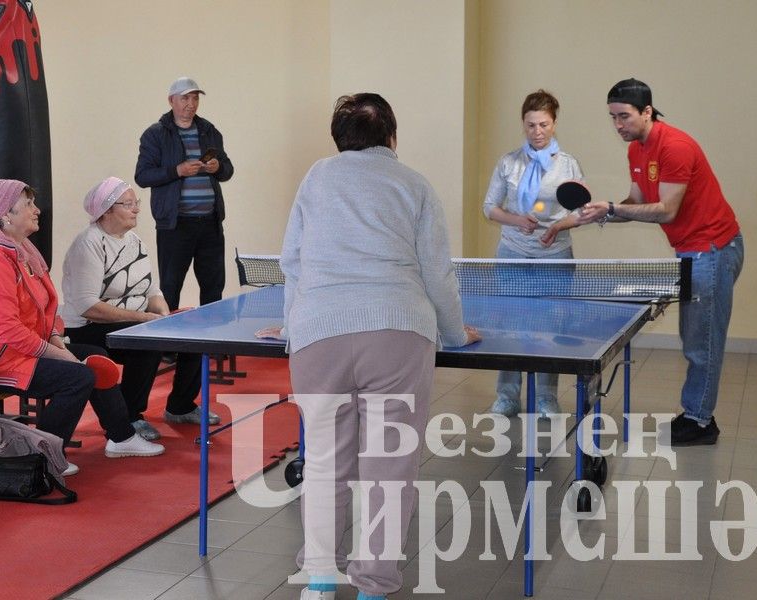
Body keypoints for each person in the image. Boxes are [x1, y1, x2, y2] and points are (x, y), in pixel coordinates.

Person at [280, 93, 481, 600]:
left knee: (325, 459)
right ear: (392, 137)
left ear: (338, 139)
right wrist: (456, 333)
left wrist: (291, 326)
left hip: (318, 334)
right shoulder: (414, 183)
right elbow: (438, 272)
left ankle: (320, 581)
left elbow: (293, 263)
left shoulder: (315, 177)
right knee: (390, 465)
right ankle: (373, 587)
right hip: (396, 329)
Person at [576, 78, 744, 446]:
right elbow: (635, 202)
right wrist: (602, 213)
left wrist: (614, 208)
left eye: (624, 116)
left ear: (647, 111)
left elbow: (667, 211)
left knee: (703, 342)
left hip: (713, 249)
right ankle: (696, 414)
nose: (618, 124)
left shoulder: (675, 147)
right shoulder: (636, 150)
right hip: (690, 249)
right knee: (694, 337)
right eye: (613, 117)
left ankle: (700, 422)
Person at [0, 179, 165, 474]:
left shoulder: (25, 252)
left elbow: (49, 310)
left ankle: (121, 437)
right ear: (5, 216)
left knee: (96, 355)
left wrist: (56, 339)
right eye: (27, 205)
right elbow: (7, 330)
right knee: (78, 376)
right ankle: (42, 454)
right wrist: (59, 354)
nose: (36, 210)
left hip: (27, 347)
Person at [59, 176, 220, 443]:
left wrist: (164, 315)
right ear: (107, 210)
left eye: (137, 203)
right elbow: (88, 306)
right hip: (90, 328)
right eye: (128, 204)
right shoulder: (88, 244)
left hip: (135, 321)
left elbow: (151, 290)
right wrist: (144, 320)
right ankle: (131, 415)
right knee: (147, 342)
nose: (136, 209)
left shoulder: (134, 241)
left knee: (195, 332)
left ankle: (180, 406)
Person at [482, 89, 584, 419]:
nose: (537, 132)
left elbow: (582, 212)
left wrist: (556, 227)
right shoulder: (508, 163)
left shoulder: (568, 165)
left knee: (549, 328)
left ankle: (546, 399)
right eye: (530, 125)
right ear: (523, 125)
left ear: (554, 124)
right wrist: (516, 220)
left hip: (554, 254)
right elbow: (489, 208)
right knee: (510, 326)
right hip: (512, 252)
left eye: (543, 124)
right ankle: (507, 396)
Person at [134, 76, 234, 312]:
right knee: (170, 287)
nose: (191, 103)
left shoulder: (209, 131)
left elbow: (228, 170)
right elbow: (143, 176)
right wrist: (176, 171)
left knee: (213, 287)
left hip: (210, 223)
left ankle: (213, 347)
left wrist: (218, 167)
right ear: (171, 101)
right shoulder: (155, 134)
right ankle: (169, 348)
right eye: (185, 98)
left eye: (195, 98)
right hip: (175, 224)